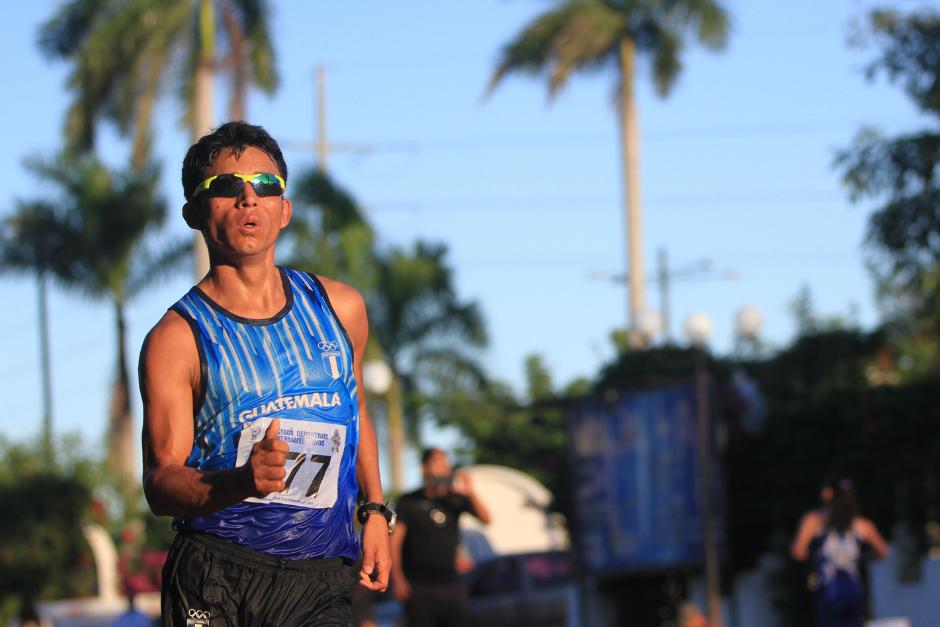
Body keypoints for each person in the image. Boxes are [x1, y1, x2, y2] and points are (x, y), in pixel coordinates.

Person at [139, 121, 392, 626]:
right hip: (217, 572)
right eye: (227, 187)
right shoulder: (177, 338)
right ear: (194, 212)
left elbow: (356, 409)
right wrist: (241, 481)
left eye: (266, 185)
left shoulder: (341, 308)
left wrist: (378, 511)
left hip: (320, 576)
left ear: (285, 209)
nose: (249, 199)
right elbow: (160, 482)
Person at [391, 448, 491, 627]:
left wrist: (470, 492)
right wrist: (398, 579)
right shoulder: (409, 502)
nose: (443, 467)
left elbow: (486, 519)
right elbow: (394, 543)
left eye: (445, 463)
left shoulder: (455, 500)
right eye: (437, 463)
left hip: (451, 584)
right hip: (418, 587)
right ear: (425, 468)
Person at [791, 476, 889, 627]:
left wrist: (814, 561)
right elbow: (883, 551)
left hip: (827, 588)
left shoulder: (815, 520)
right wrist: (863, 558)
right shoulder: (861, 524)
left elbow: (798, 551)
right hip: (854, 589)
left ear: (827, 494)